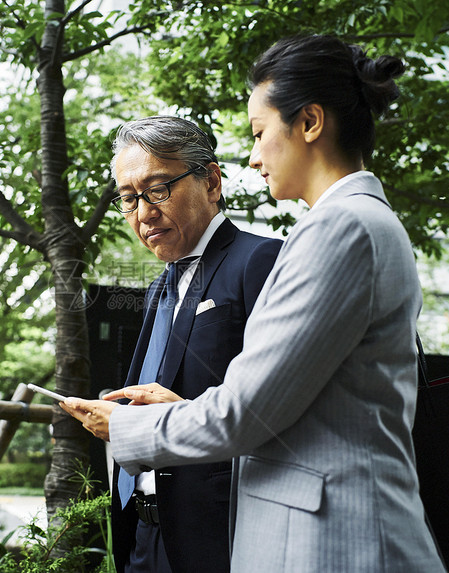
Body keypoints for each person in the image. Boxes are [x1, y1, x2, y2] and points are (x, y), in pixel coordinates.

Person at [61, 35, 446, 572]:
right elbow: (298, 403)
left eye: (260, 133)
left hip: (330, 542)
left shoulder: (340, 230)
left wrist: (124, 427)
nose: (254, 155)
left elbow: (247, 410)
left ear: (310, 123)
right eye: (128, 199)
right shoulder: (351, 223)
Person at [103, 116, 282, 573]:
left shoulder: (261, 260)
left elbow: (278, 409)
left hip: (218, 535)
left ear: (212, 181)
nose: (143, 213)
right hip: (143, 536)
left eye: (158, 189)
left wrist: (177, 411)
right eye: (128, 199)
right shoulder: (160, 286)